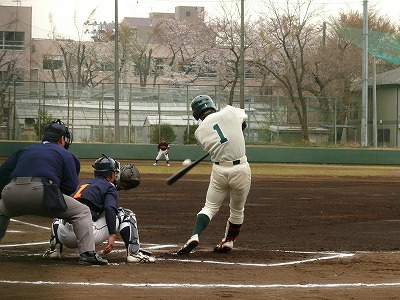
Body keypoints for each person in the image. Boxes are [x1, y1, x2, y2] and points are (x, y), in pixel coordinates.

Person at [0, 119, 108, 265]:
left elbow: (2, 174)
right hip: (42, 193)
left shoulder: (23, 150)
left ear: (43, 137)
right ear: (62, 139)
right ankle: (87, 254)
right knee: (82, 212)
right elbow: (70, 187)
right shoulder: (66, 154)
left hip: (11, 192)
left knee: (1, 211)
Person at [43, 154, 156, 263]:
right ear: (111, 174)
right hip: (87, 235)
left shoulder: (84, 184)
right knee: (126, 214)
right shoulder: (109, 187)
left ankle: (54, 250)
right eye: (115, 173)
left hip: (64, 235)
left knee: (60, 216)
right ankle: (133, 253)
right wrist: (112, 234)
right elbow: (110, 208)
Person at [177, 95, 251, 255]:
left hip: (219, 170)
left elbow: (212, 145)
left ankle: (195, 235)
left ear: (197, 114)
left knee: (209, 207)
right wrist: (238, 129)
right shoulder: (230, 111)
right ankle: (229, 242)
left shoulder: (199, 132)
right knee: (237, 210)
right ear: (212, 105)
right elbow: (244, 121)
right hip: (240, 169)